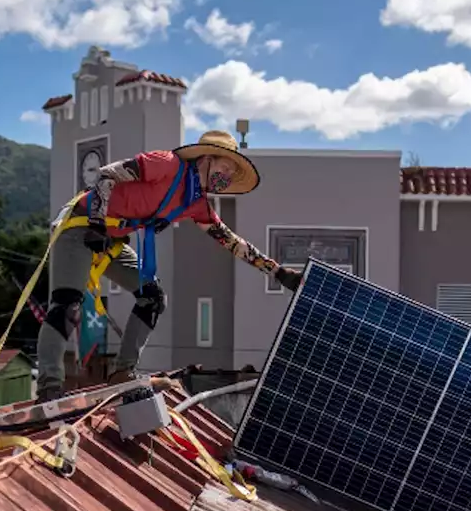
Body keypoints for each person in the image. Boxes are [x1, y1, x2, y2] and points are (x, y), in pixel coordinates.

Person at [37, 130, 303, 402]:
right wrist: (96, 220)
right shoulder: (166, 164)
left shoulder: (195, 202)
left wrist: (278, 273)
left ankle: (123, 372)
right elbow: (107, 174)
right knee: (67, 304)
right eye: (224, 168)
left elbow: (232, 242)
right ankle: (48, 387)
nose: (226, 177)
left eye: (231, 174)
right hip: (81, 225)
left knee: (152, 297)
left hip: (109, 240)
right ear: (206, 159)